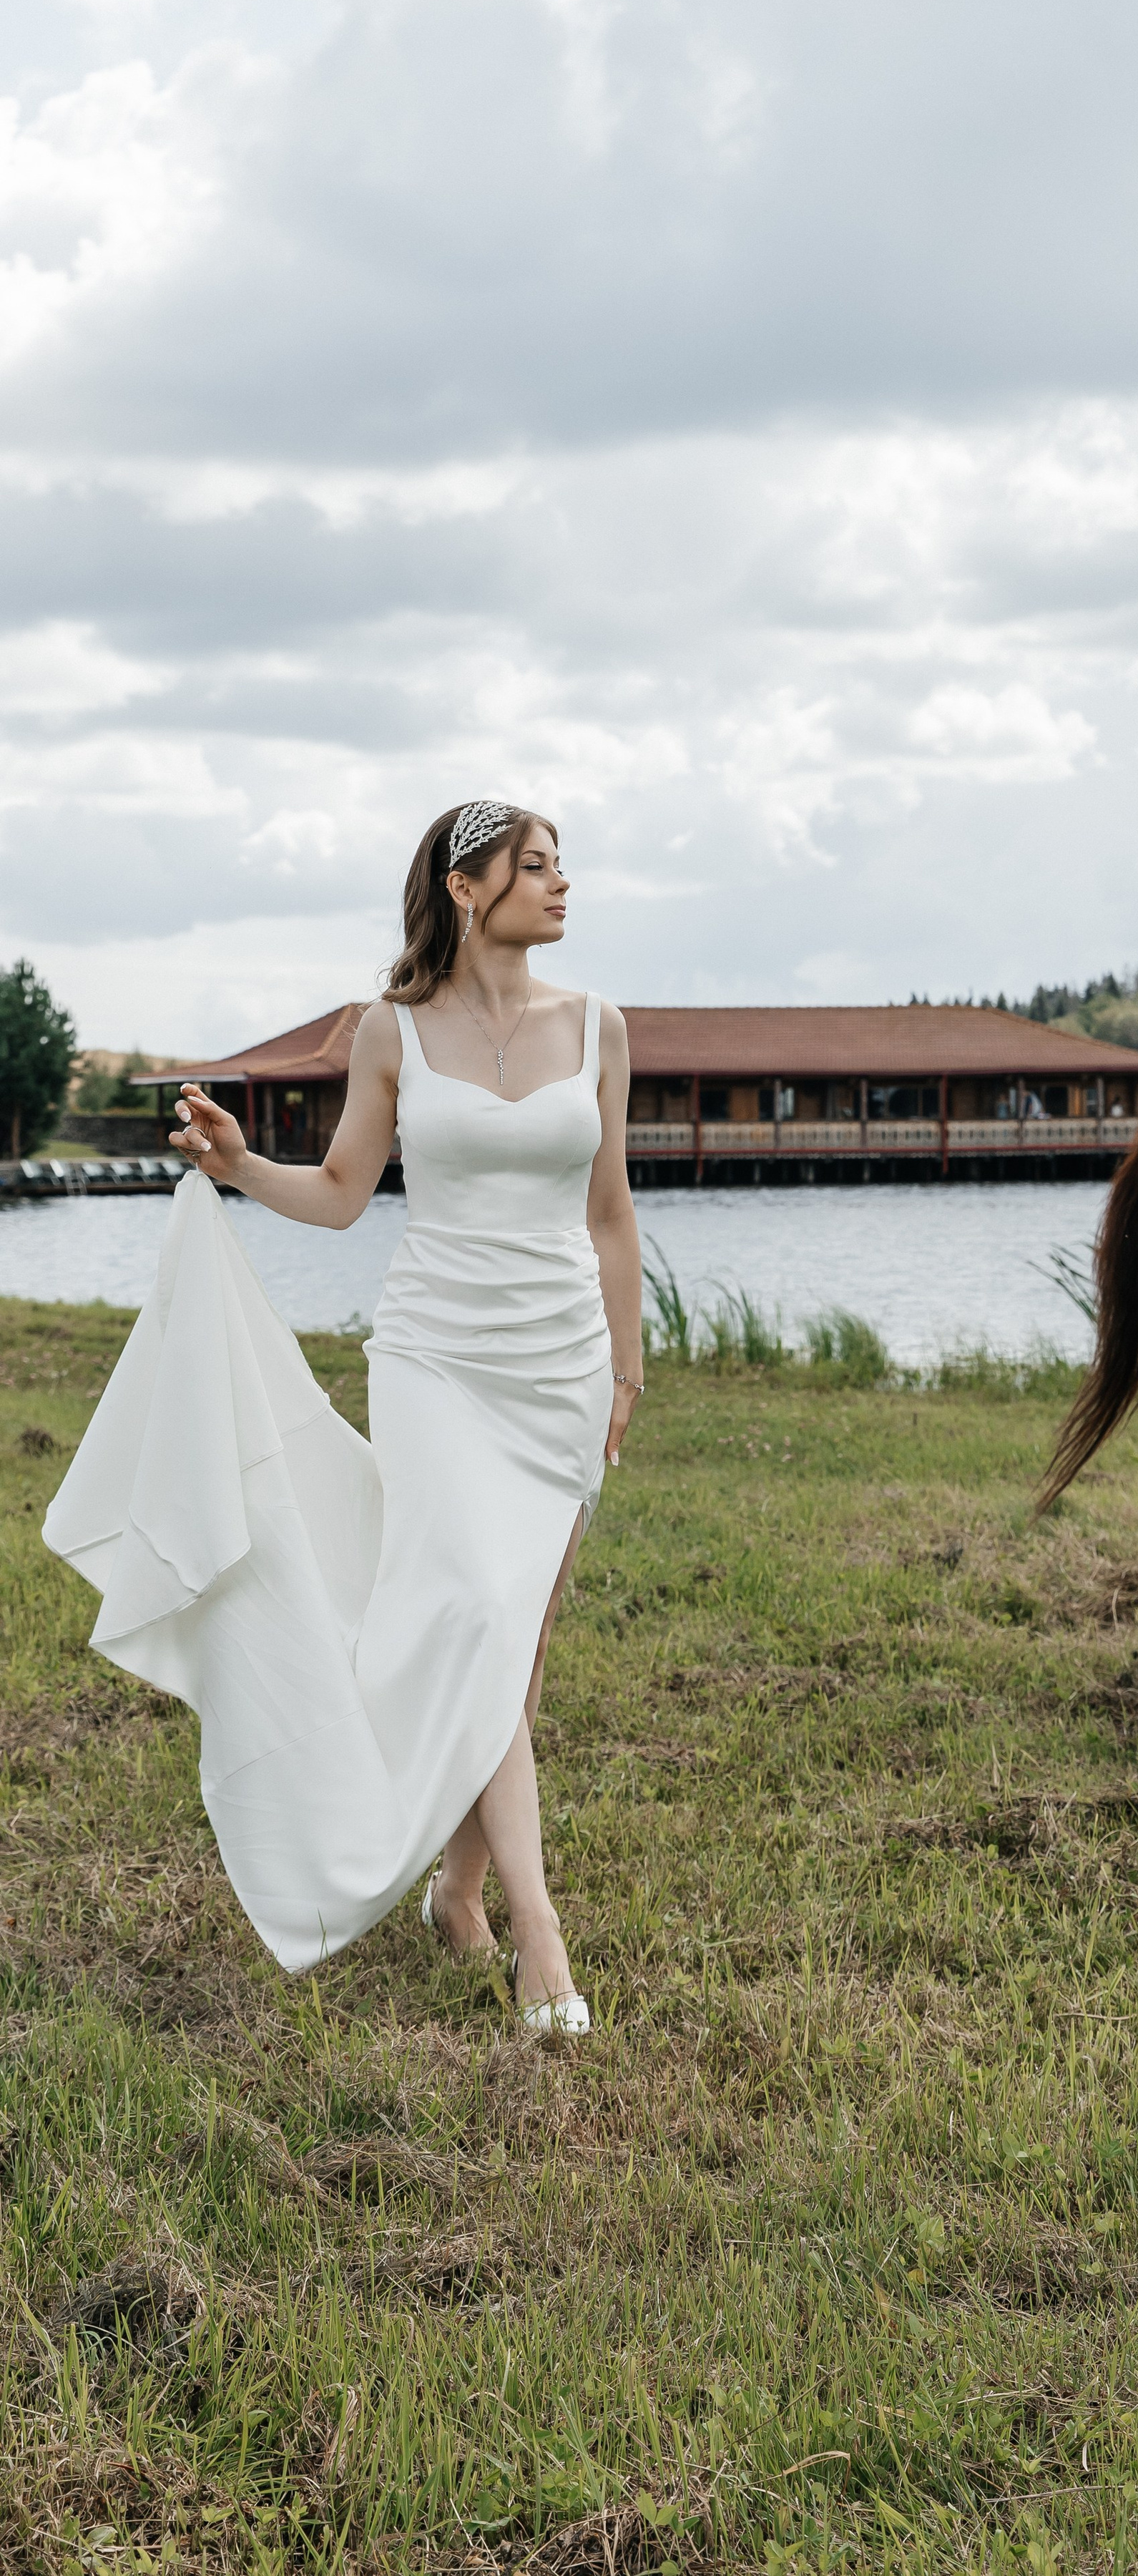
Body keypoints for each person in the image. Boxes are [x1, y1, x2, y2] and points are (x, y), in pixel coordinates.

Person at [42, 801, 643, 2031]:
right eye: (536, 865)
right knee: (474, 1614)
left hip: (562, 1370)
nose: (562, 882)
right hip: (436, 1362)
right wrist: (237, 1167)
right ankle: (542, 1936)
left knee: (511, 1646)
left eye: (561, 862)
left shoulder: (600, 1028)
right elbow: (339, 1192)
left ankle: (459, 1894)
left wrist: (625, 1371)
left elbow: (612, 1213)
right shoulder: (393, 1031)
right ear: (466, 889)